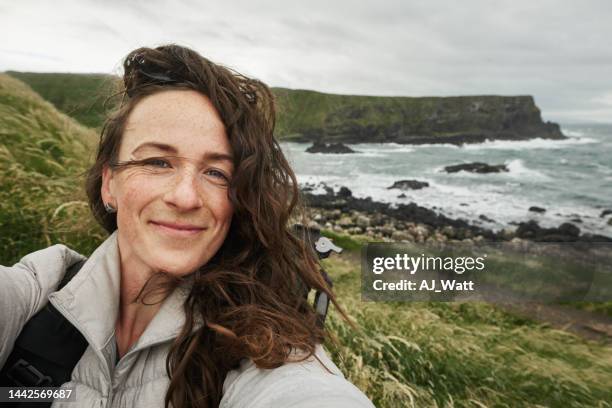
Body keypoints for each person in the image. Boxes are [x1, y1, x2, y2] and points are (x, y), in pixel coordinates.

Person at [0, 45, 375, 407]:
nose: (185, 197)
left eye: (216, 172)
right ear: (108, 184)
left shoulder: (260, 345)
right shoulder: (35, 291)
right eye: (158, 162)